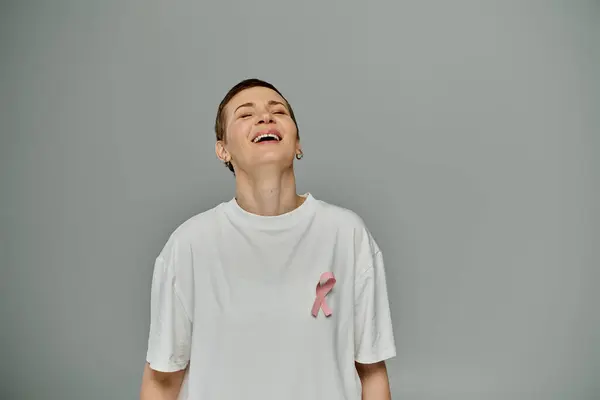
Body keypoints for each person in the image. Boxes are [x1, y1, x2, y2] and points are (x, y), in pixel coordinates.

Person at [139, 78, 396, 400]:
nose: (265, 117)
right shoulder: (189, 244)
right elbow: (162, 381)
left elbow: (371, 373)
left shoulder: (347, 234)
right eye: (245, 115)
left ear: (298, 143)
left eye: (278, 111)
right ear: (223, 150)